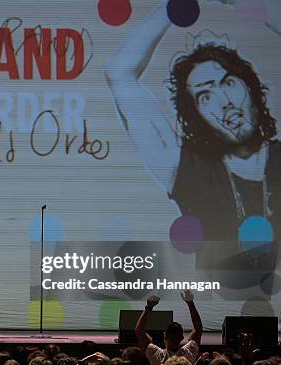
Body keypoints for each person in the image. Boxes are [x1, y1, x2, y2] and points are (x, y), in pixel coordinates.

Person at [105, 1, 281, 291]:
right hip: (211, 308)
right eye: (206, 96)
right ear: (195, 116)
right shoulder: (186, 168)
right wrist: (175, 6)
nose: (225, 102)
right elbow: (120, 73)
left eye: (228, 83)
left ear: (249, 86)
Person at [135, 290, 202, 365]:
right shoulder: (188, 354)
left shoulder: (157, 356)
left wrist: (149, 307)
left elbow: (139, 331)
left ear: (165, 336)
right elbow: (198, 329)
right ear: (182, 337)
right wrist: (190, 303)